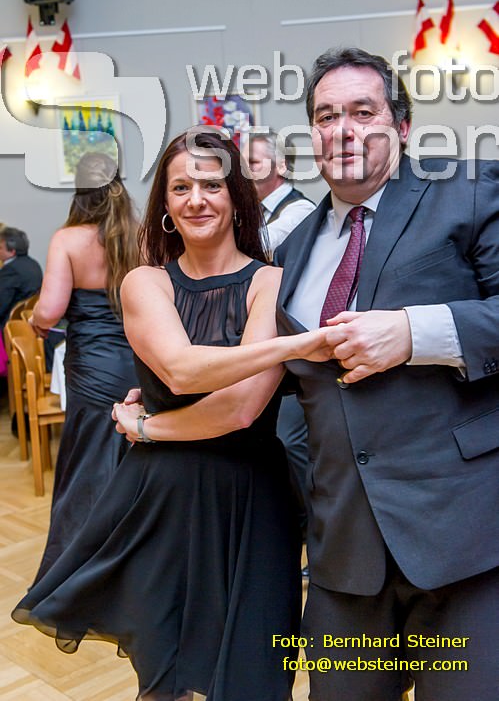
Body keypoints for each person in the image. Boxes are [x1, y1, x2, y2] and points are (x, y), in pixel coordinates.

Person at [12, 129, 338, 701]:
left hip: (253, 497)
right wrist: (292, 345)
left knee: (256, 675)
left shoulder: (272, 281)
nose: (196, 199)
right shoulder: (145, 282)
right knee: (163, 677)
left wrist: (147, 426)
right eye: (180, 187)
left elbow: (241, 407)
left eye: (211, 185)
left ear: (236, 196)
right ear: (164, 204)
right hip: (164, 495)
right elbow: (183, 372)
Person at [273, 46, 499, 701]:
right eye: (325, 116)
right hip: (344, 551)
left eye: (362, 112)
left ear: (400, 126)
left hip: (463, 540)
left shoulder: (468, 190)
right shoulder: (290, 251)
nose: (342, 130)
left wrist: (413, 333)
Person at [27, 152, 139, 580]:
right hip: (137, 361)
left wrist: (37, 322)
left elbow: (50, 309)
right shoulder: (137, 234)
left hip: (93, 366)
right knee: (134, 455)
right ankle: (130, 563)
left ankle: (77, 571)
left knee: (88, 464)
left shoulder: (68, 239)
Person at [249, 130, 315, 552]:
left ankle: (318, 535)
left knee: (291, 443)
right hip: (266, 343)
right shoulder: (253, 212)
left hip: (296, 342)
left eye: (252, 163)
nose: (242, 172)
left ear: (281, 166)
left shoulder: (300, 210)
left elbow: (255, 250)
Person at [0, 226, 42, 330]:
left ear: (12, 251)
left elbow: (1, 304)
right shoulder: (33, 264)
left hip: (8, 325)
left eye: (0, 248)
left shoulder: (11, 270)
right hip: (24, 323)